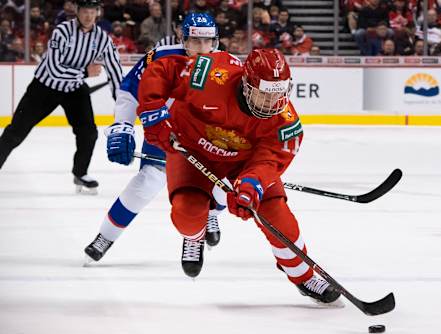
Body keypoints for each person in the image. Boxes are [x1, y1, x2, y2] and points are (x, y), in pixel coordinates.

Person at [134, 47, 342, 305]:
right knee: (187, 215)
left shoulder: (286, 123)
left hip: (243, 162)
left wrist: (251, 184)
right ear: (246, 84)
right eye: (264, 94)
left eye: (278, 95)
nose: (272, 103)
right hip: (192, 149)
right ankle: (195, 236)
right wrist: (153, 111)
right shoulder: (210, 74)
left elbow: (270, 160)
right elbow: (163, 69)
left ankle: (303, 275)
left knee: (275, 213)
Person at [84, 12, 225, 267]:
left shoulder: (228, 64)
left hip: (209, 140)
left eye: (208, 42)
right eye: (195, 41)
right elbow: (129, 90)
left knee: (224, 185)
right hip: (165, 134)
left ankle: (211, 213)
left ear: (216, 41)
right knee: (146, 183)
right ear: (184, 39)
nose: (202, 49)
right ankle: (105, 237)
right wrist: (122, 126)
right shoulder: (160, 57)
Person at [0, 0, 123, 194]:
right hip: (44, 87)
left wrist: (122, 101)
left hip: (74, 89)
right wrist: (84, 73)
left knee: (88, 132)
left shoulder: (102, 39)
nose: (89, 16)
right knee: (16, 131)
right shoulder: (62, 31)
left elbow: (115, 71)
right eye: (85, 11)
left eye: (92, 11)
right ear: (77, 11)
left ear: (97, 13)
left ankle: (80, 173)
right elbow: (54, 68)